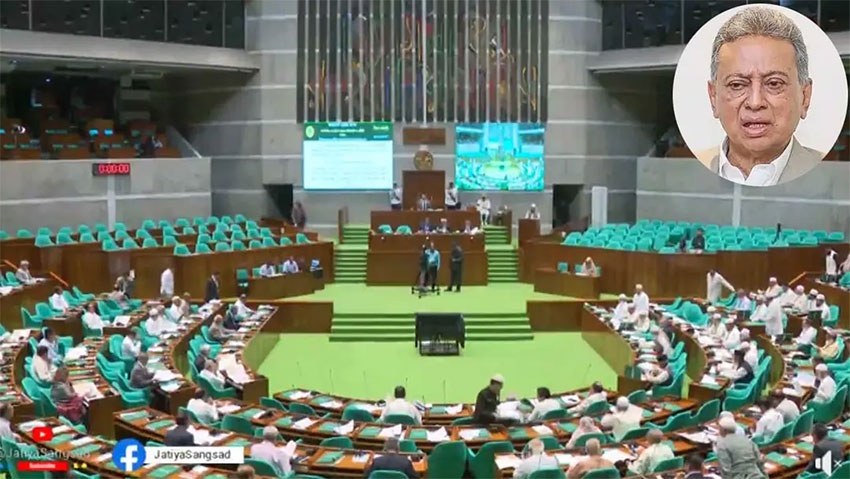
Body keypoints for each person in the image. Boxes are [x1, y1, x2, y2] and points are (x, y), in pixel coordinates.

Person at [704, 6, 821, 187]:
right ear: (713, 97)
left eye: (774, 84)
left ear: (805, 97)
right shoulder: (678, 173)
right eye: (737, 85)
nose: (755, 102)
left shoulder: (836, 175)